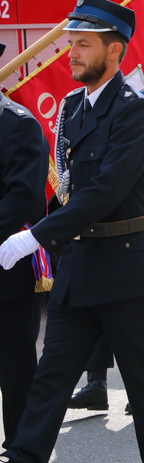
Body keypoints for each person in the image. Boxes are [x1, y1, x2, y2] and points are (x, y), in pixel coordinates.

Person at [0, 0, 144, 463]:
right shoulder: (73, 108)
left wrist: (32, 236)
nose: (72, 53)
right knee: (49, 384)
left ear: (114, 50)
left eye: (82, 44)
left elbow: (103, 192)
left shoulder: (134, 111)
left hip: (126, 272)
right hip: (78, 271)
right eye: (71, 43)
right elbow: (65, 188)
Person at [0, 54, 50, 451]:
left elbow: (24, 196)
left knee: (15, 366)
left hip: (7, 268)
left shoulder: (17, 123)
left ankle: (22, 447)